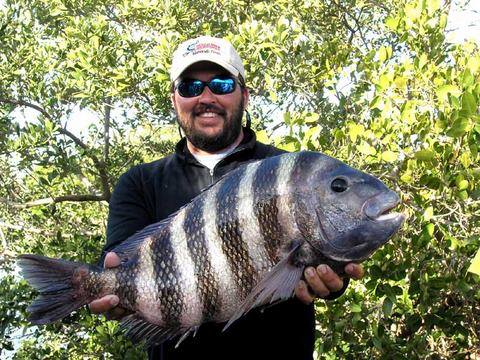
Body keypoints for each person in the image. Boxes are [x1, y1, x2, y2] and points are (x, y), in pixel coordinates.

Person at [89, 36, 364, 359]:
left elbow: (321, 254)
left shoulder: (292, 175)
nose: (206, 97)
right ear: (174, 99)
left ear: (244, 95)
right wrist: (104, 292)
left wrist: (334, 279)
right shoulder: (140, 183)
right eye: (190, 87)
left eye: (221, 84)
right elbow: (117, 267)